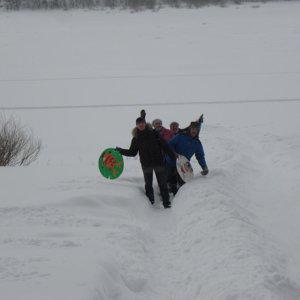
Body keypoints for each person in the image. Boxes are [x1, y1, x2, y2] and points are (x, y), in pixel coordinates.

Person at [116, 117, 176, 208]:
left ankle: (166, 203)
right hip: (146, 164)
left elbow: (165, 145)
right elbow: (132, 152)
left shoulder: (154, 133)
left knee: (162, 183)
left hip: (158, 162)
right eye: (139, 123)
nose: (141, 125)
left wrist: (173, 156)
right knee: (148, 184)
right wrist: (120, 151)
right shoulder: (136, 138)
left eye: (142, 123)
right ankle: (150, 203)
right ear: (136, 125)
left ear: (145, 123)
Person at [166, 121, 209, 195]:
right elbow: (169, 144)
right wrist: (174, 153)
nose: (194, 131)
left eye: (196, 129)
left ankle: (180, 198)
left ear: (198, 131)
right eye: (192, 129)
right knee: (170, 180)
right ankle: (166, 194)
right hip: (171, 161)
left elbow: (200, 156)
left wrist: (204, 167)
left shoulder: (197, 143)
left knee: (182, 183)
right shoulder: (180, 136)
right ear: (190, 129)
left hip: (183, 164)